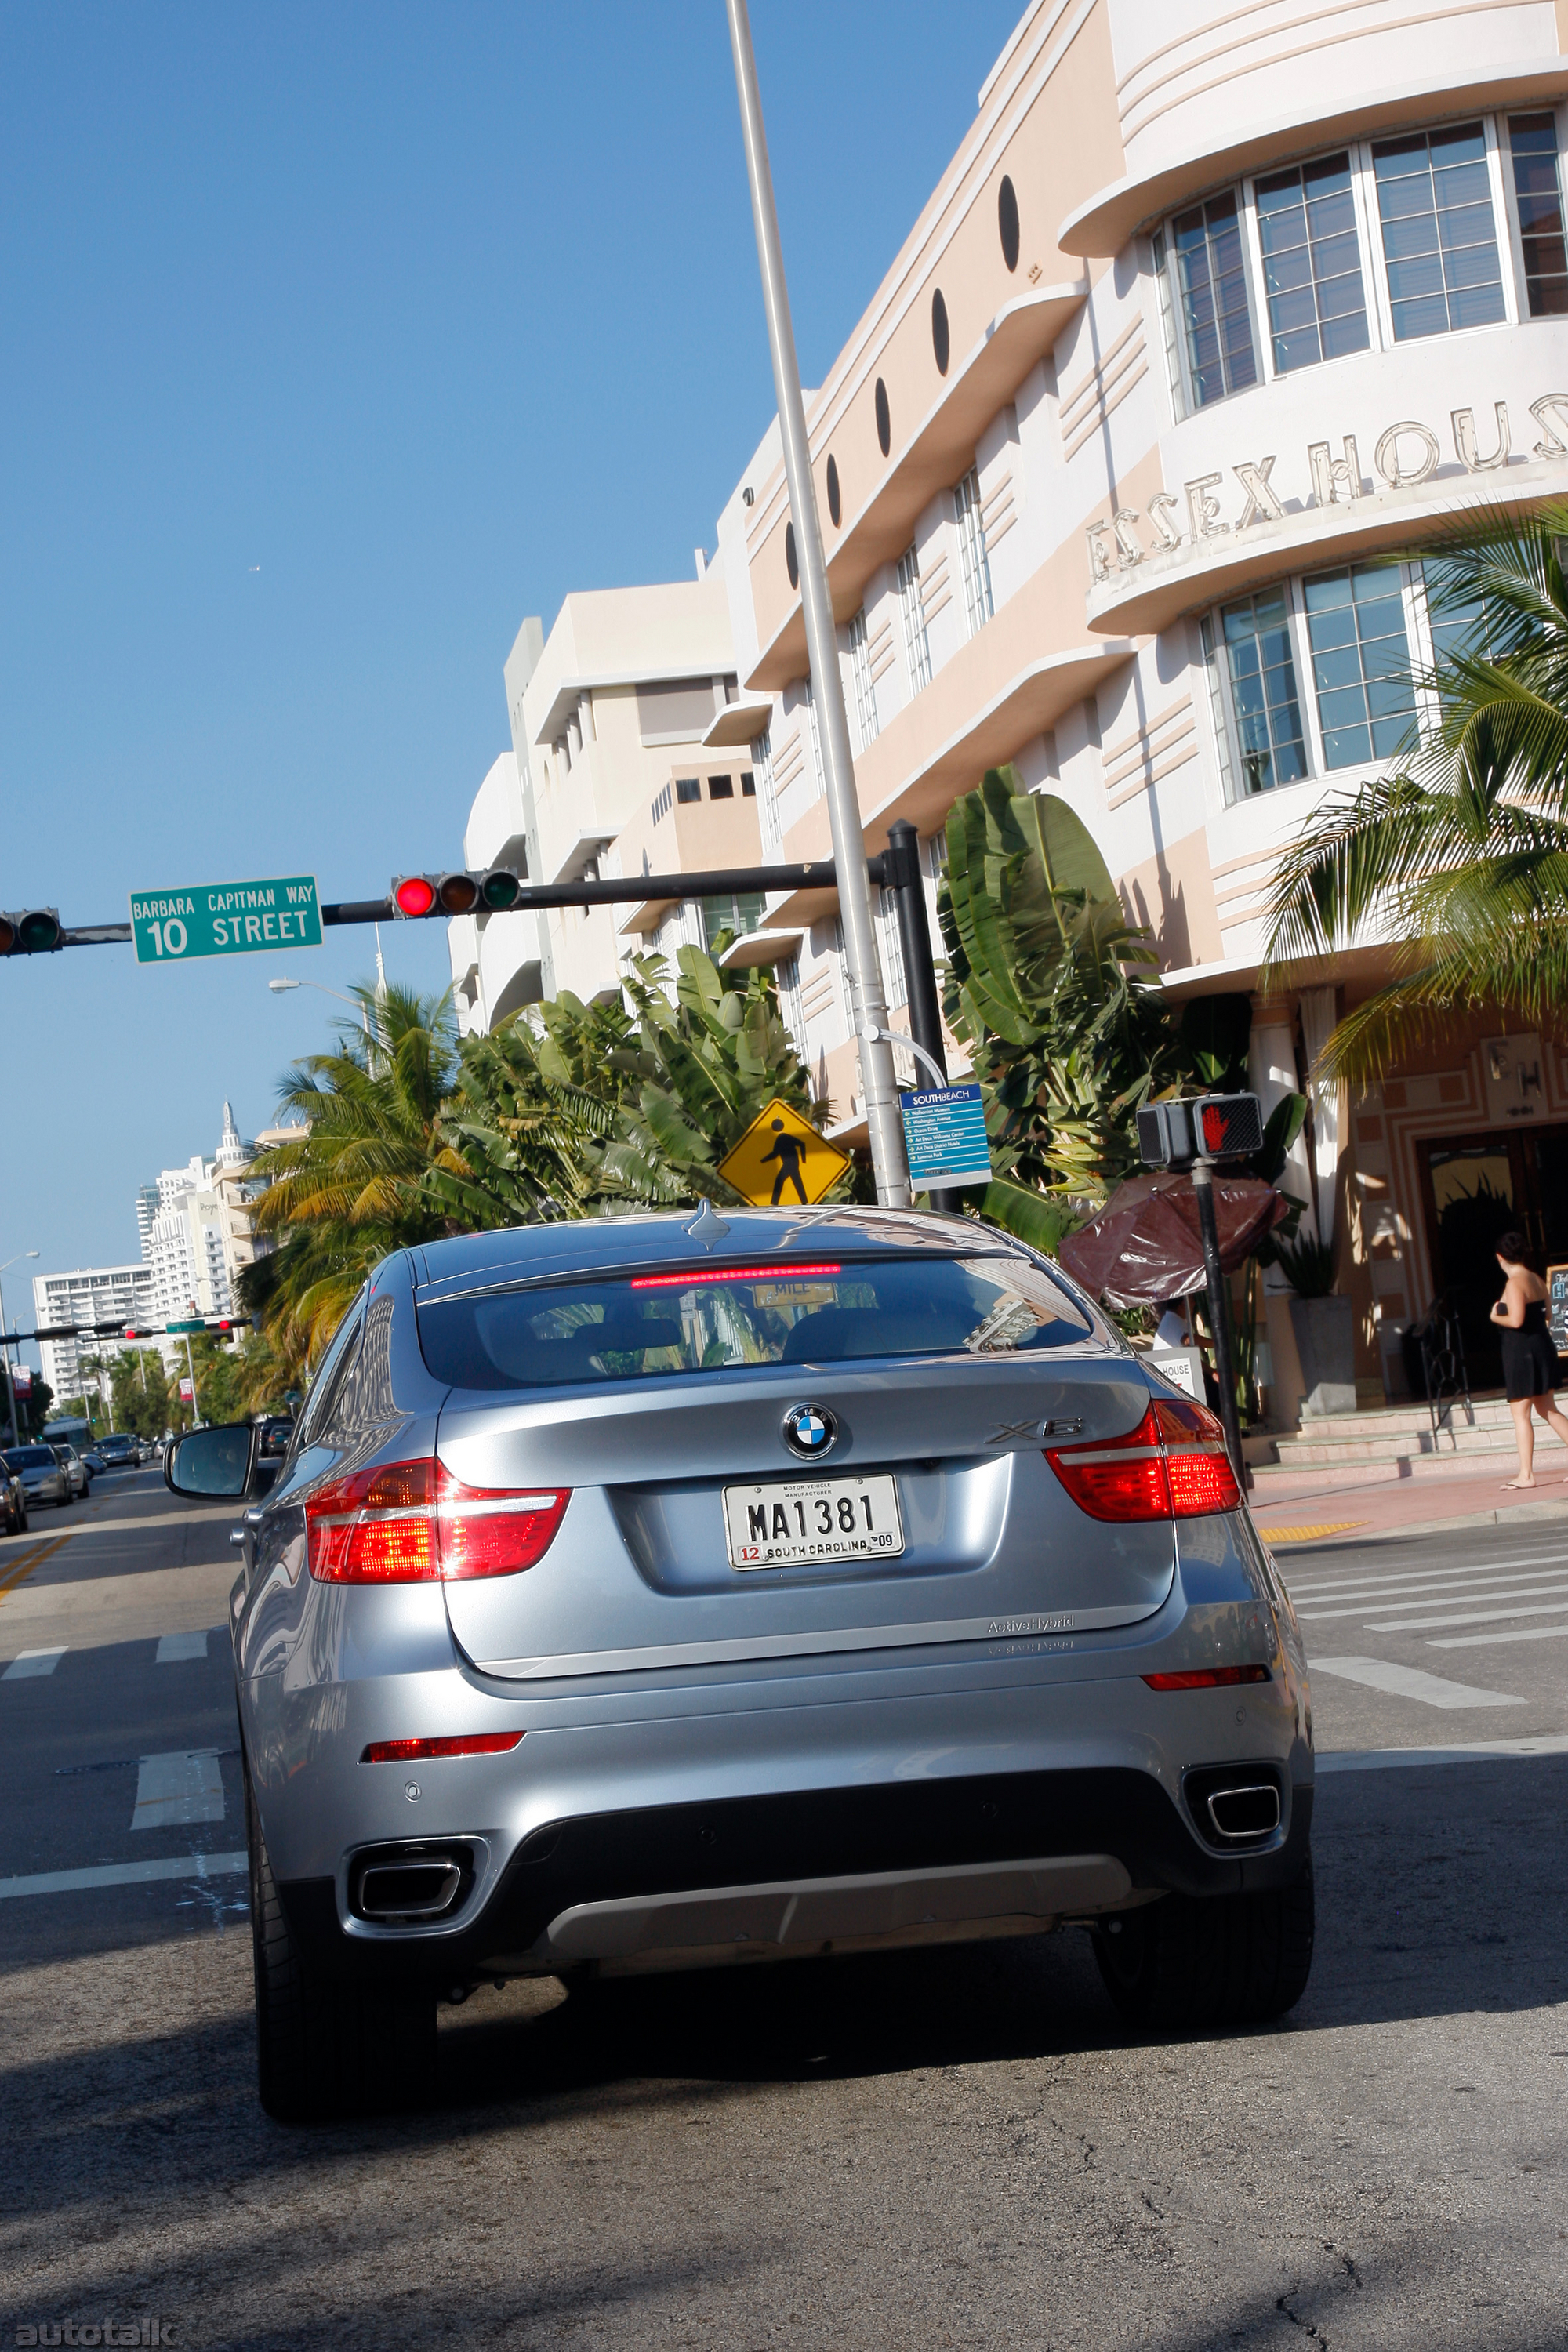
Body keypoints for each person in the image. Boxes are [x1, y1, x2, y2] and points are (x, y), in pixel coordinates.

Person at [1487, 1230, 1568, 1489]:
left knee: (1521, 1414)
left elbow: (1516, 1320)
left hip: (1522, 1352)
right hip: (1542, 1346)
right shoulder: (1536, 1279)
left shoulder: (1514, 1283)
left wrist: (1494, 1317)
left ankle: (1526, 1475)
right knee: (1548, 1409)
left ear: (1500, 1257)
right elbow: (1547, 1315)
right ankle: (1526, 1474)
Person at [760, 1119, 808, 1206]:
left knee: (780, 1180)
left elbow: (802, 1144)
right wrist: (763, 1161)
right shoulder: (782, 1138)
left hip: (790, 1163)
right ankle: (804, 1201)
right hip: (792, 1163)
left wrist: (804, 1159)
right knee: (796, 1181)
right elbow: (775, 1154)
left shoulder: (782, 1138)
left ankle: (774, 1202)